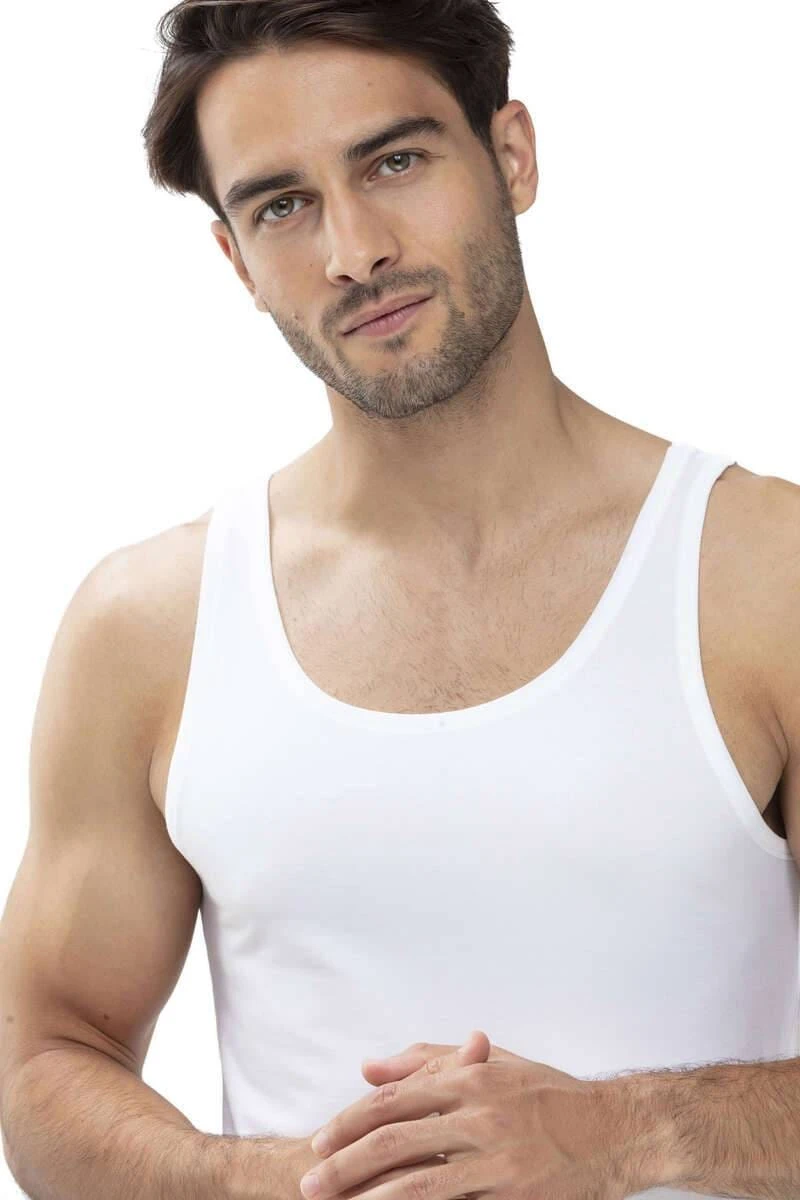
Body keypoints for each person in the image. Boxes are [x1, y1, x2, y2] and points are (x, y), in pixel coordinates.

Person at [2, 2, 799, 1199]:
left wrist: (621, 1132)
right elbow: (45, 1062)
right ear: (235, 260)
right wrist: (283, 1181)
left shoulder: (762, 574)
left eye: (393, 162)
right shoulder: (148, 629)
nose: (353, 251)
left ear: (510, 155)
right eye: (283, 205)